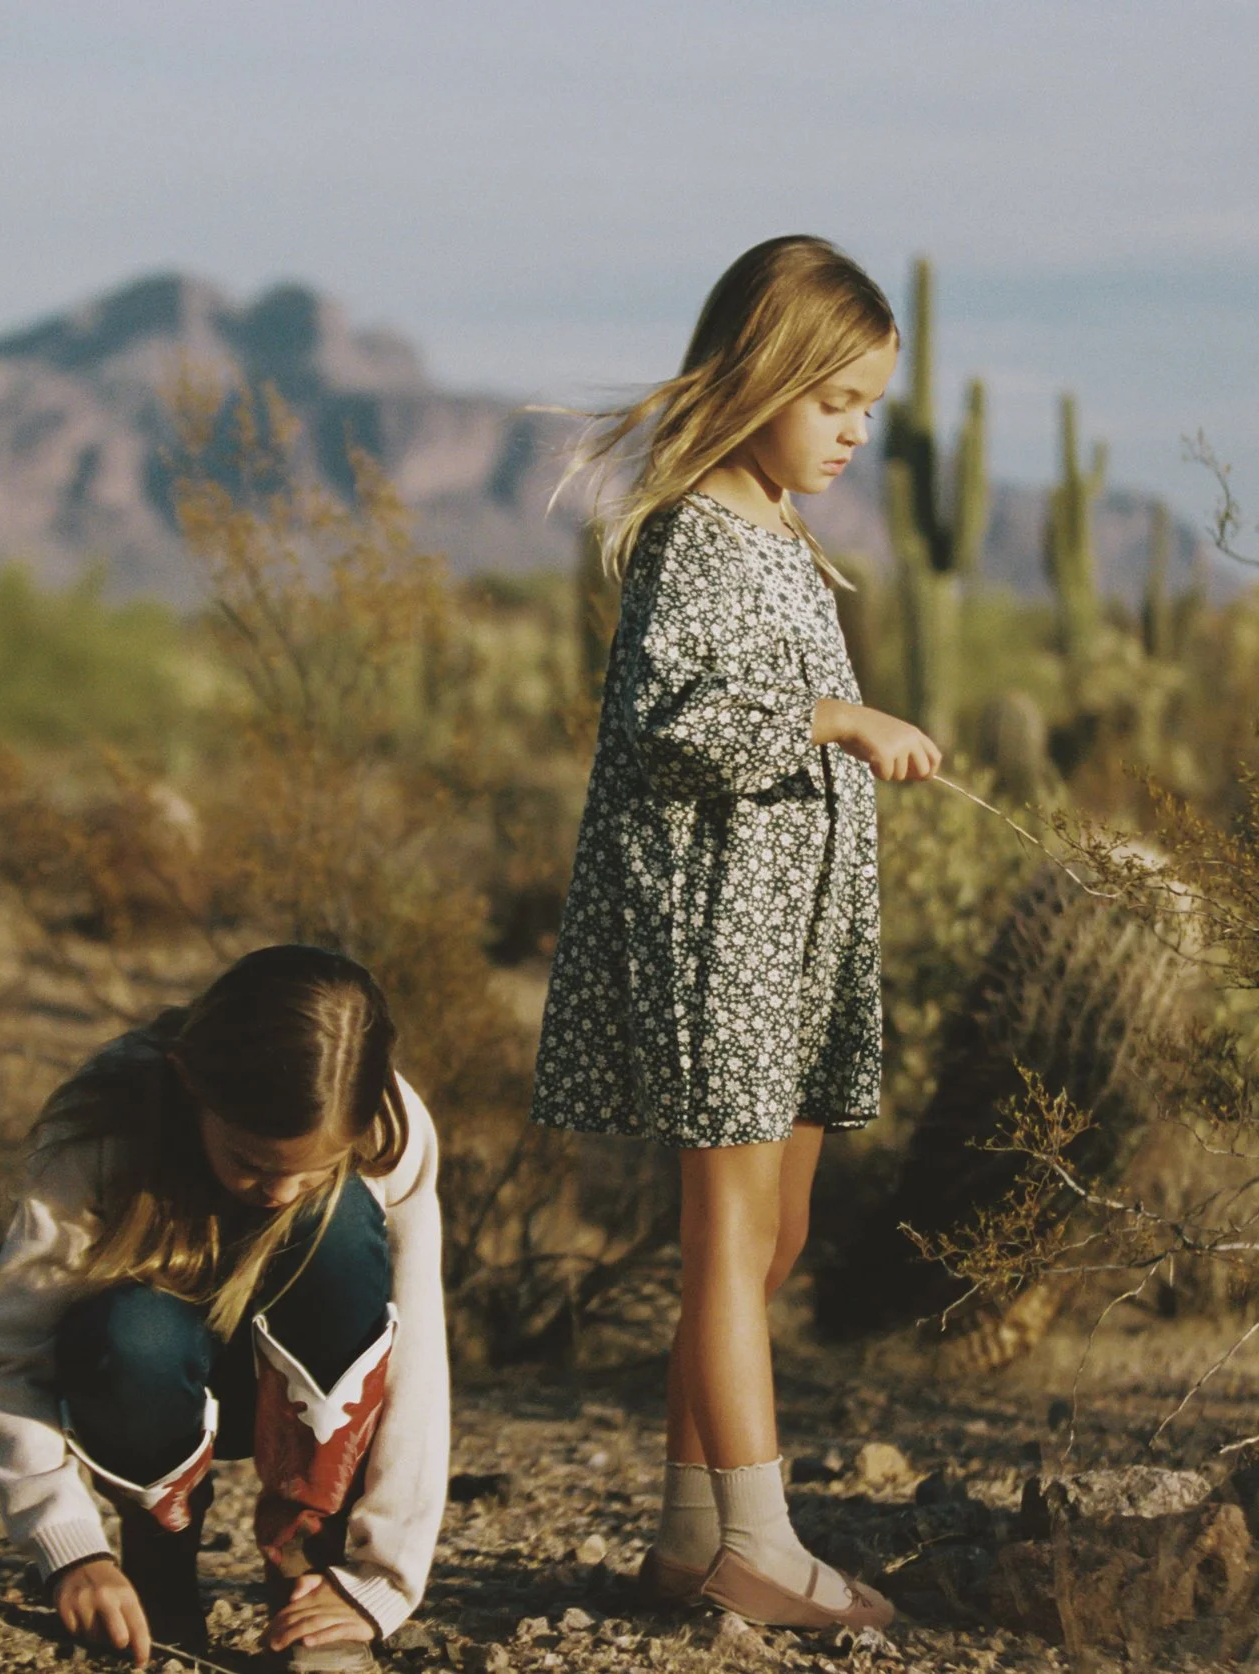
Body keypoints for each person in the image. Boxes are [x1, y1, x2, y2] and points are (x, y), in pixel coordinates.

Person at [531, 234, 940, 1632]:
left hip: (797, 942)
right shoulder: (697, 532)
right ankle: (759, 1544)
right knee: (727, 1238)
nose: (855, 433)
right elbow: (668, 728)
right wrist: (840, 718)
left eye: (871, 410)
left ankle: (687, 1532)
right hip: (718, 936)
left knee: (774, 1240)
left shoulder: (777, 533)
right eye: (836, 402)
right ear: (763, 375)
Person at [0, 944, 448, 1672]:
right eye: (251, 1162)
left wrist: (380, 1583)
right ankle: (157, 1571)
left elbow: (414, 1361)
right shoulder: (104, 1130)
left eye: (307, 1170)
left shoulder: (389, 1128)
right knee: (133, 1332)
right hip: (152, 1395)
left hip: (301, 1402)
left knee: (339, 1222)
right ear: (192, 1085)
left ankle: (304, 1573)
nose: (278, 1192)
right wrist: (70, 1550)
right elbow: (8, 1355)